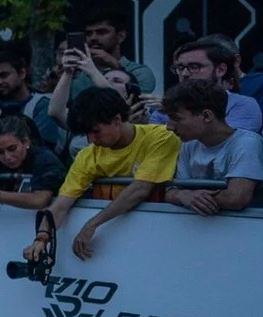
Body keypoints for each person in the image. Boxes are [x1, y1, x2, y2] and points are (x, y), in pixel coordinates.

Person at [25, 86, 183, 266]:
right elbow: (61, 205)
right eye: (87, 134)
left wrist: (93, 223)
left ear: (116, 119)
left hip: (163, 244)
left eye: (95, 131)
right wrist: (41, 238)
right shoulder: (87, 155)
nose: (91, 139)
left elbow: (140, 189)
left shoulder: (163, 137)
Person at [164, 79, 263, 215]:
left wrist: (190, 197)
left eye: (176, 118)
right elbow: (170, 191)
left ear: (206, 115)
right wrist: (183, 195)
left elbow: (236, 198)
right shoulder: (189, 144)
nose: (168, 127)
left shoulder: (247, 143)